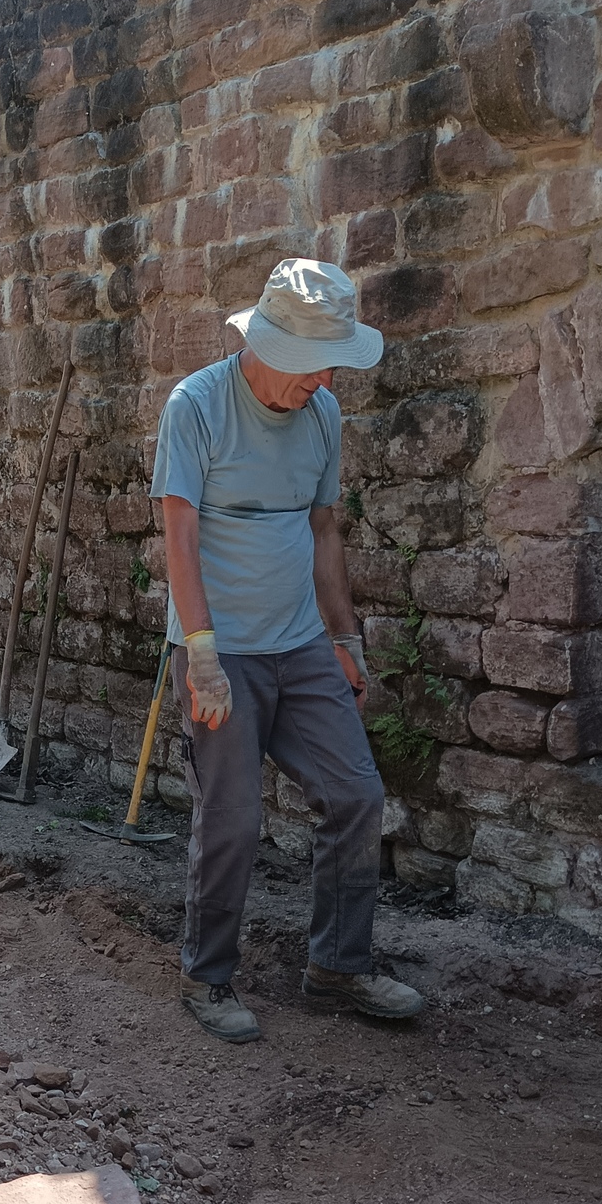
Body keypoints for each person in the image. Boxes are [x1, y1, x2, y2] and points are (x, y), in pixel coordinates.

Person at [151, 257, 424, 1044]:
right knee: (232, 819)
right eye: (313, 364)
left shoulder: (322, 414)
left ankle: (337, 966)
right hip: (222, 650)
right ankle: (207, 976)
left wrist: (344, 637)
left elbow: (322, 528)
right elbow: (180, 537)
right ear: (266, 346)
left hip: (301, 643)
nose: (325, 380)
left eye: (332, 364)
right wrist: (202, 654)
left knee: (356, 794)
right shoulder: (197, 405)